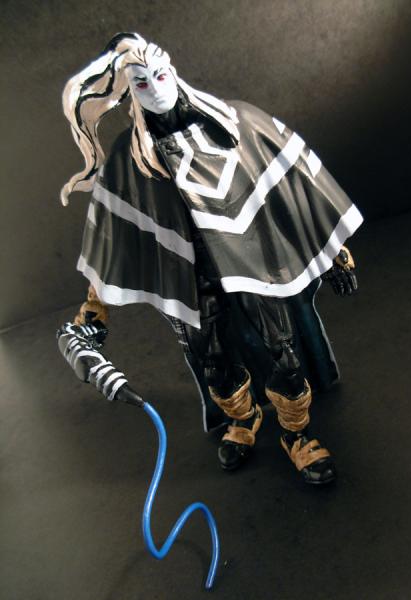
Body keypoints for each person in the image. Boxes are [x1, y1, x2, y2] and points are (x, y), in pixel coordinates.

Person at [62, 32, 363, 485]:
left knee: (283, 353)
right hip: (193, 278)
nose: (155, 87)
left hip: (253, 268)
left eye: (160, 75)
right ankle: (243, 420)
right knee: (214, 363)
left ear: (172, 71)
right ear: (130, 91)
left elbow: (291, 185)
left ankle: (296, 434)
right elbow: (112, 237)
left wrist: (333, 249)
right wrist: (94, 308)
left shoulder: (235, 124)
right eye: (142, 82)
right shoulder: (131, 157)